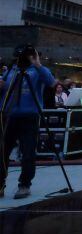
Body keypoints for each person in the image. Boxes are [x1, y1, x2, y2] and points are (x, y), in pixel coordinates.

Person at [0, 45, 56, 199]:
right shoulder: (11, 70)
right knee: (3, 151)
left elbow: (51, 82)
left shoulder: (36, 71)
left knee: (28, 152)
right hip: (9, 115)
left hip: (29, 116)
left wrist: (37, 64)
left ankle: (24, 184)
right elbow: (4, 87)